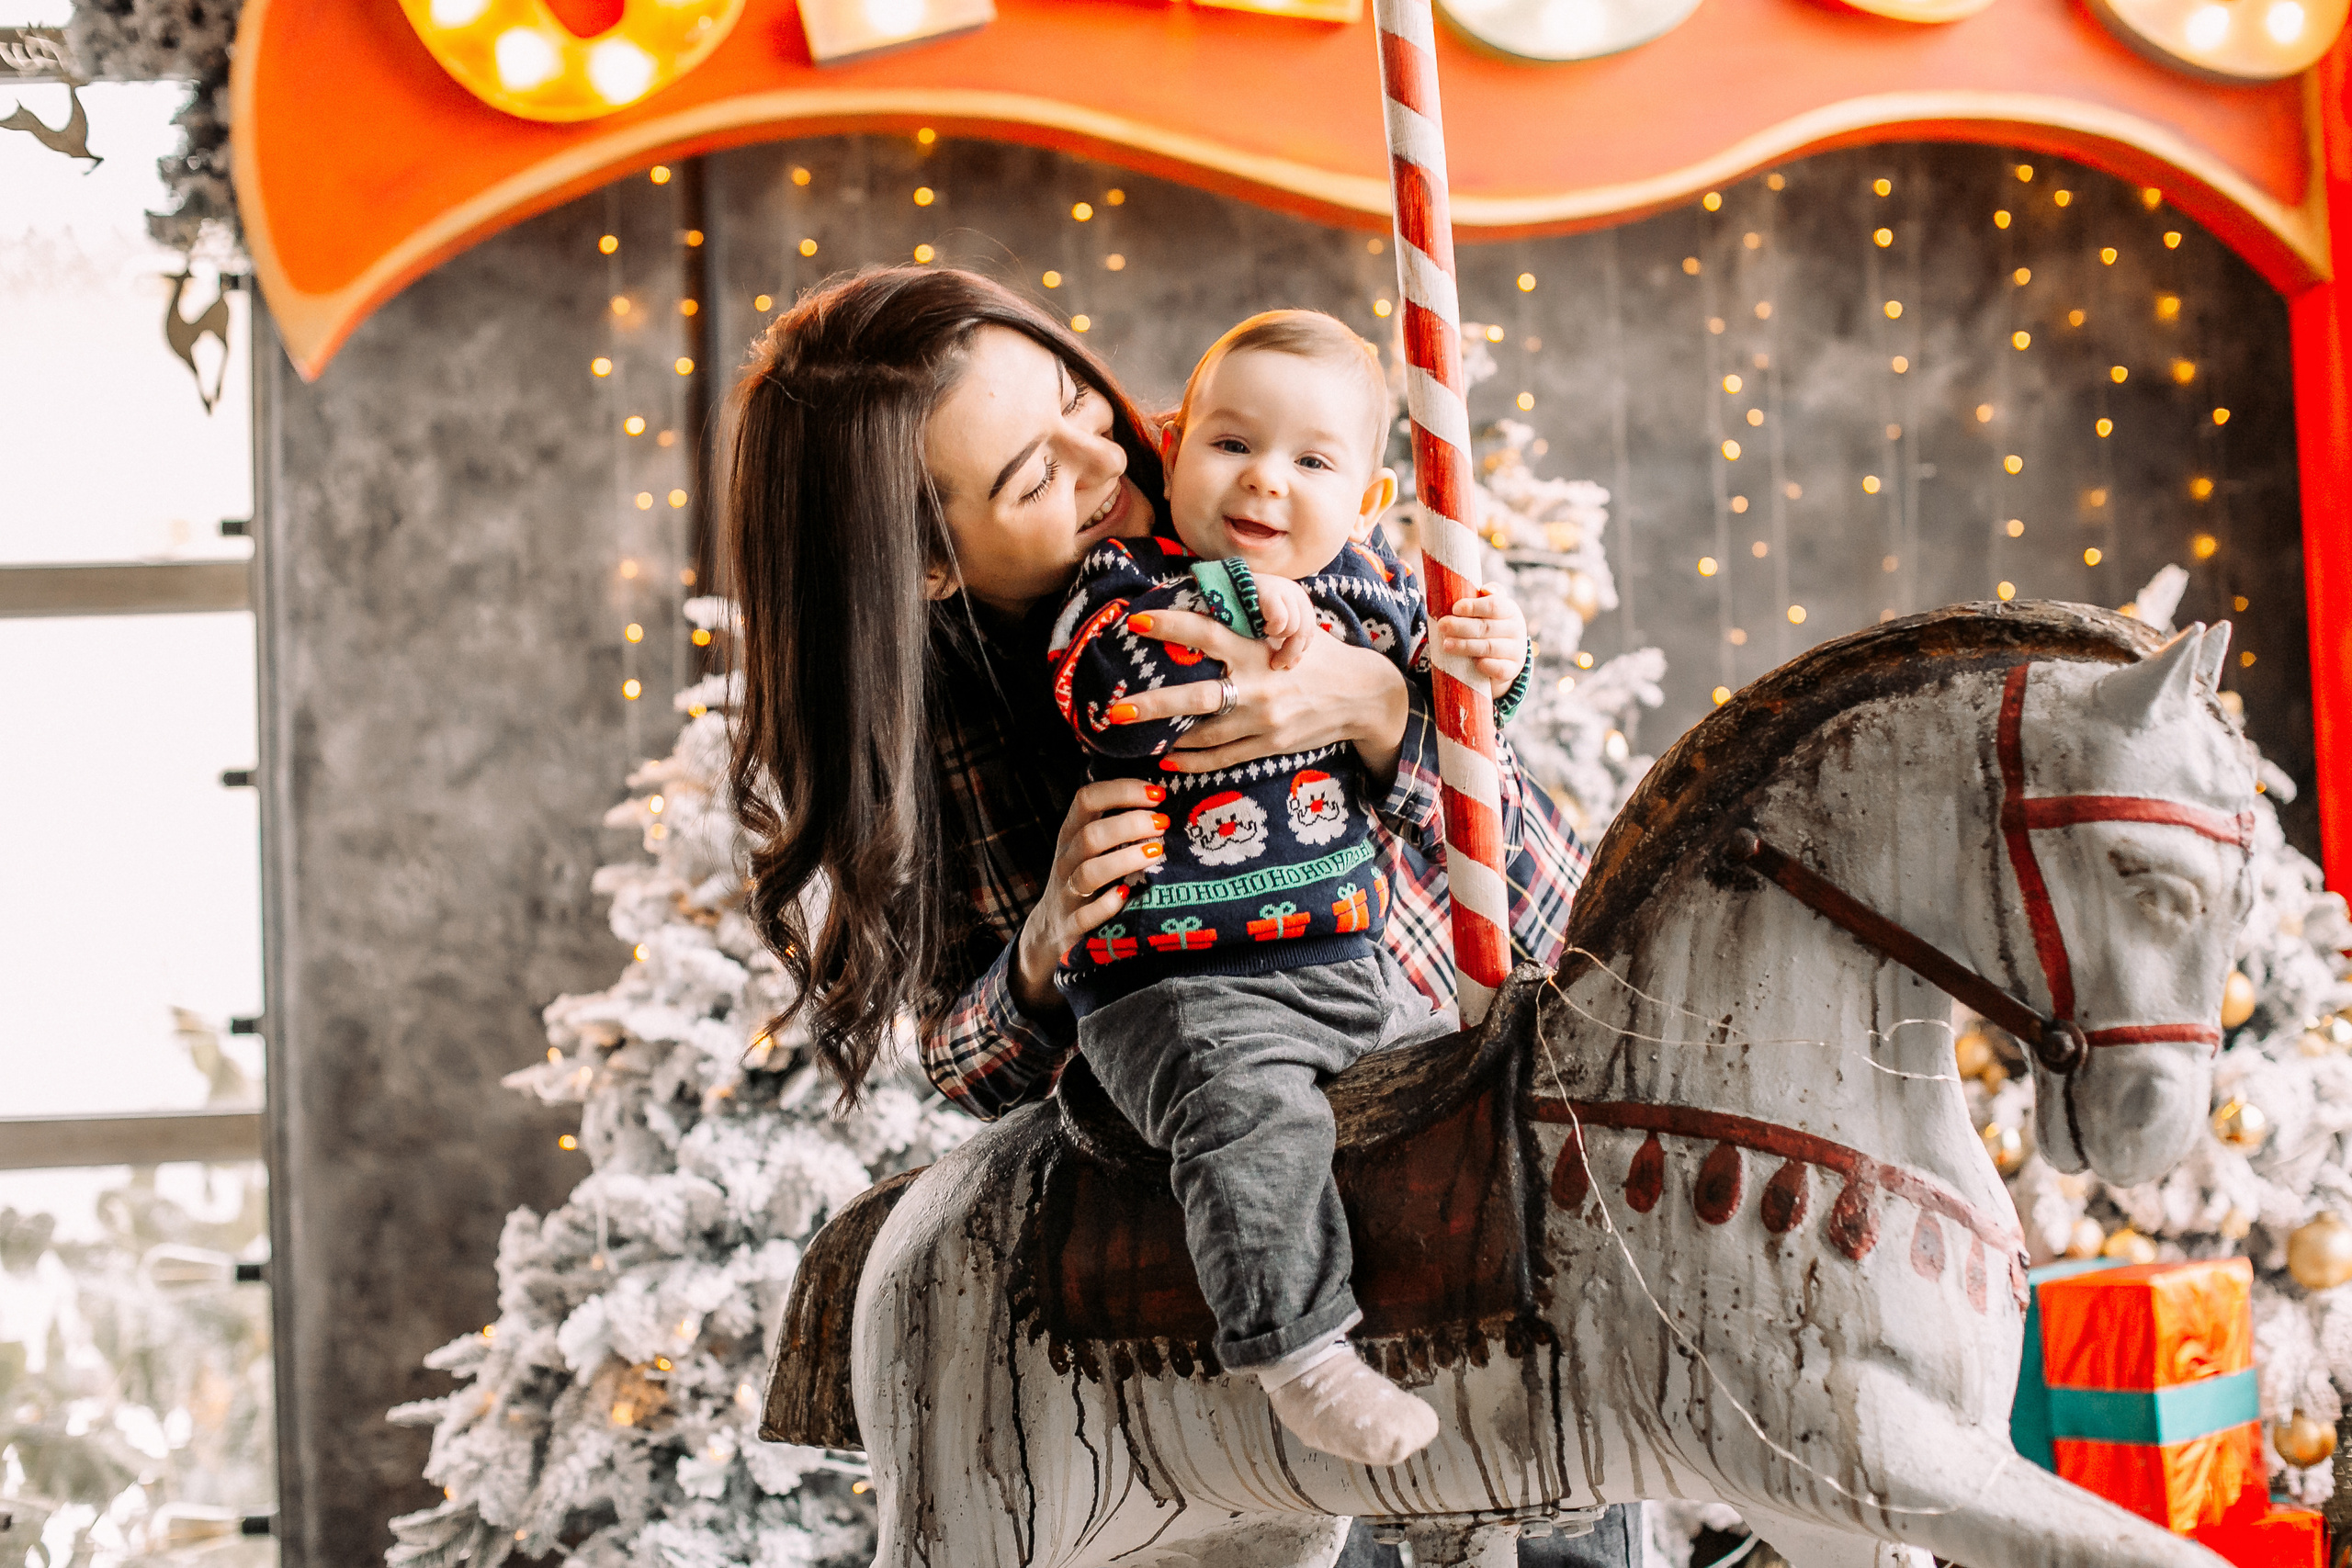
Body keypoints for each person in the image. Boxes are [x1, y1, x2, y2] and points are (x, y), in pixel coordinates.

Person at [1046, 310, 1531, 1465]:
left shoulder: (1369, 591)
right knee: (1248, 1118)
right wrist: (1232, 610)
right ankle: (1295, 1350)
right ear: (1172, 451)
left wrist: (1487, 669)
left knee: (1472, 1094)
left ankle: (1486, 1347)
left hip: (1350, 966)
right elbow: (1110, 696)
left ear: (1364, 501)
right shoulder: (1125, 583)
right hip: (1183, 986)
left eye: (1311, 461)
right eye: (1230, 444)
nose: (1264, 479)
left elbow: (1448, 733)